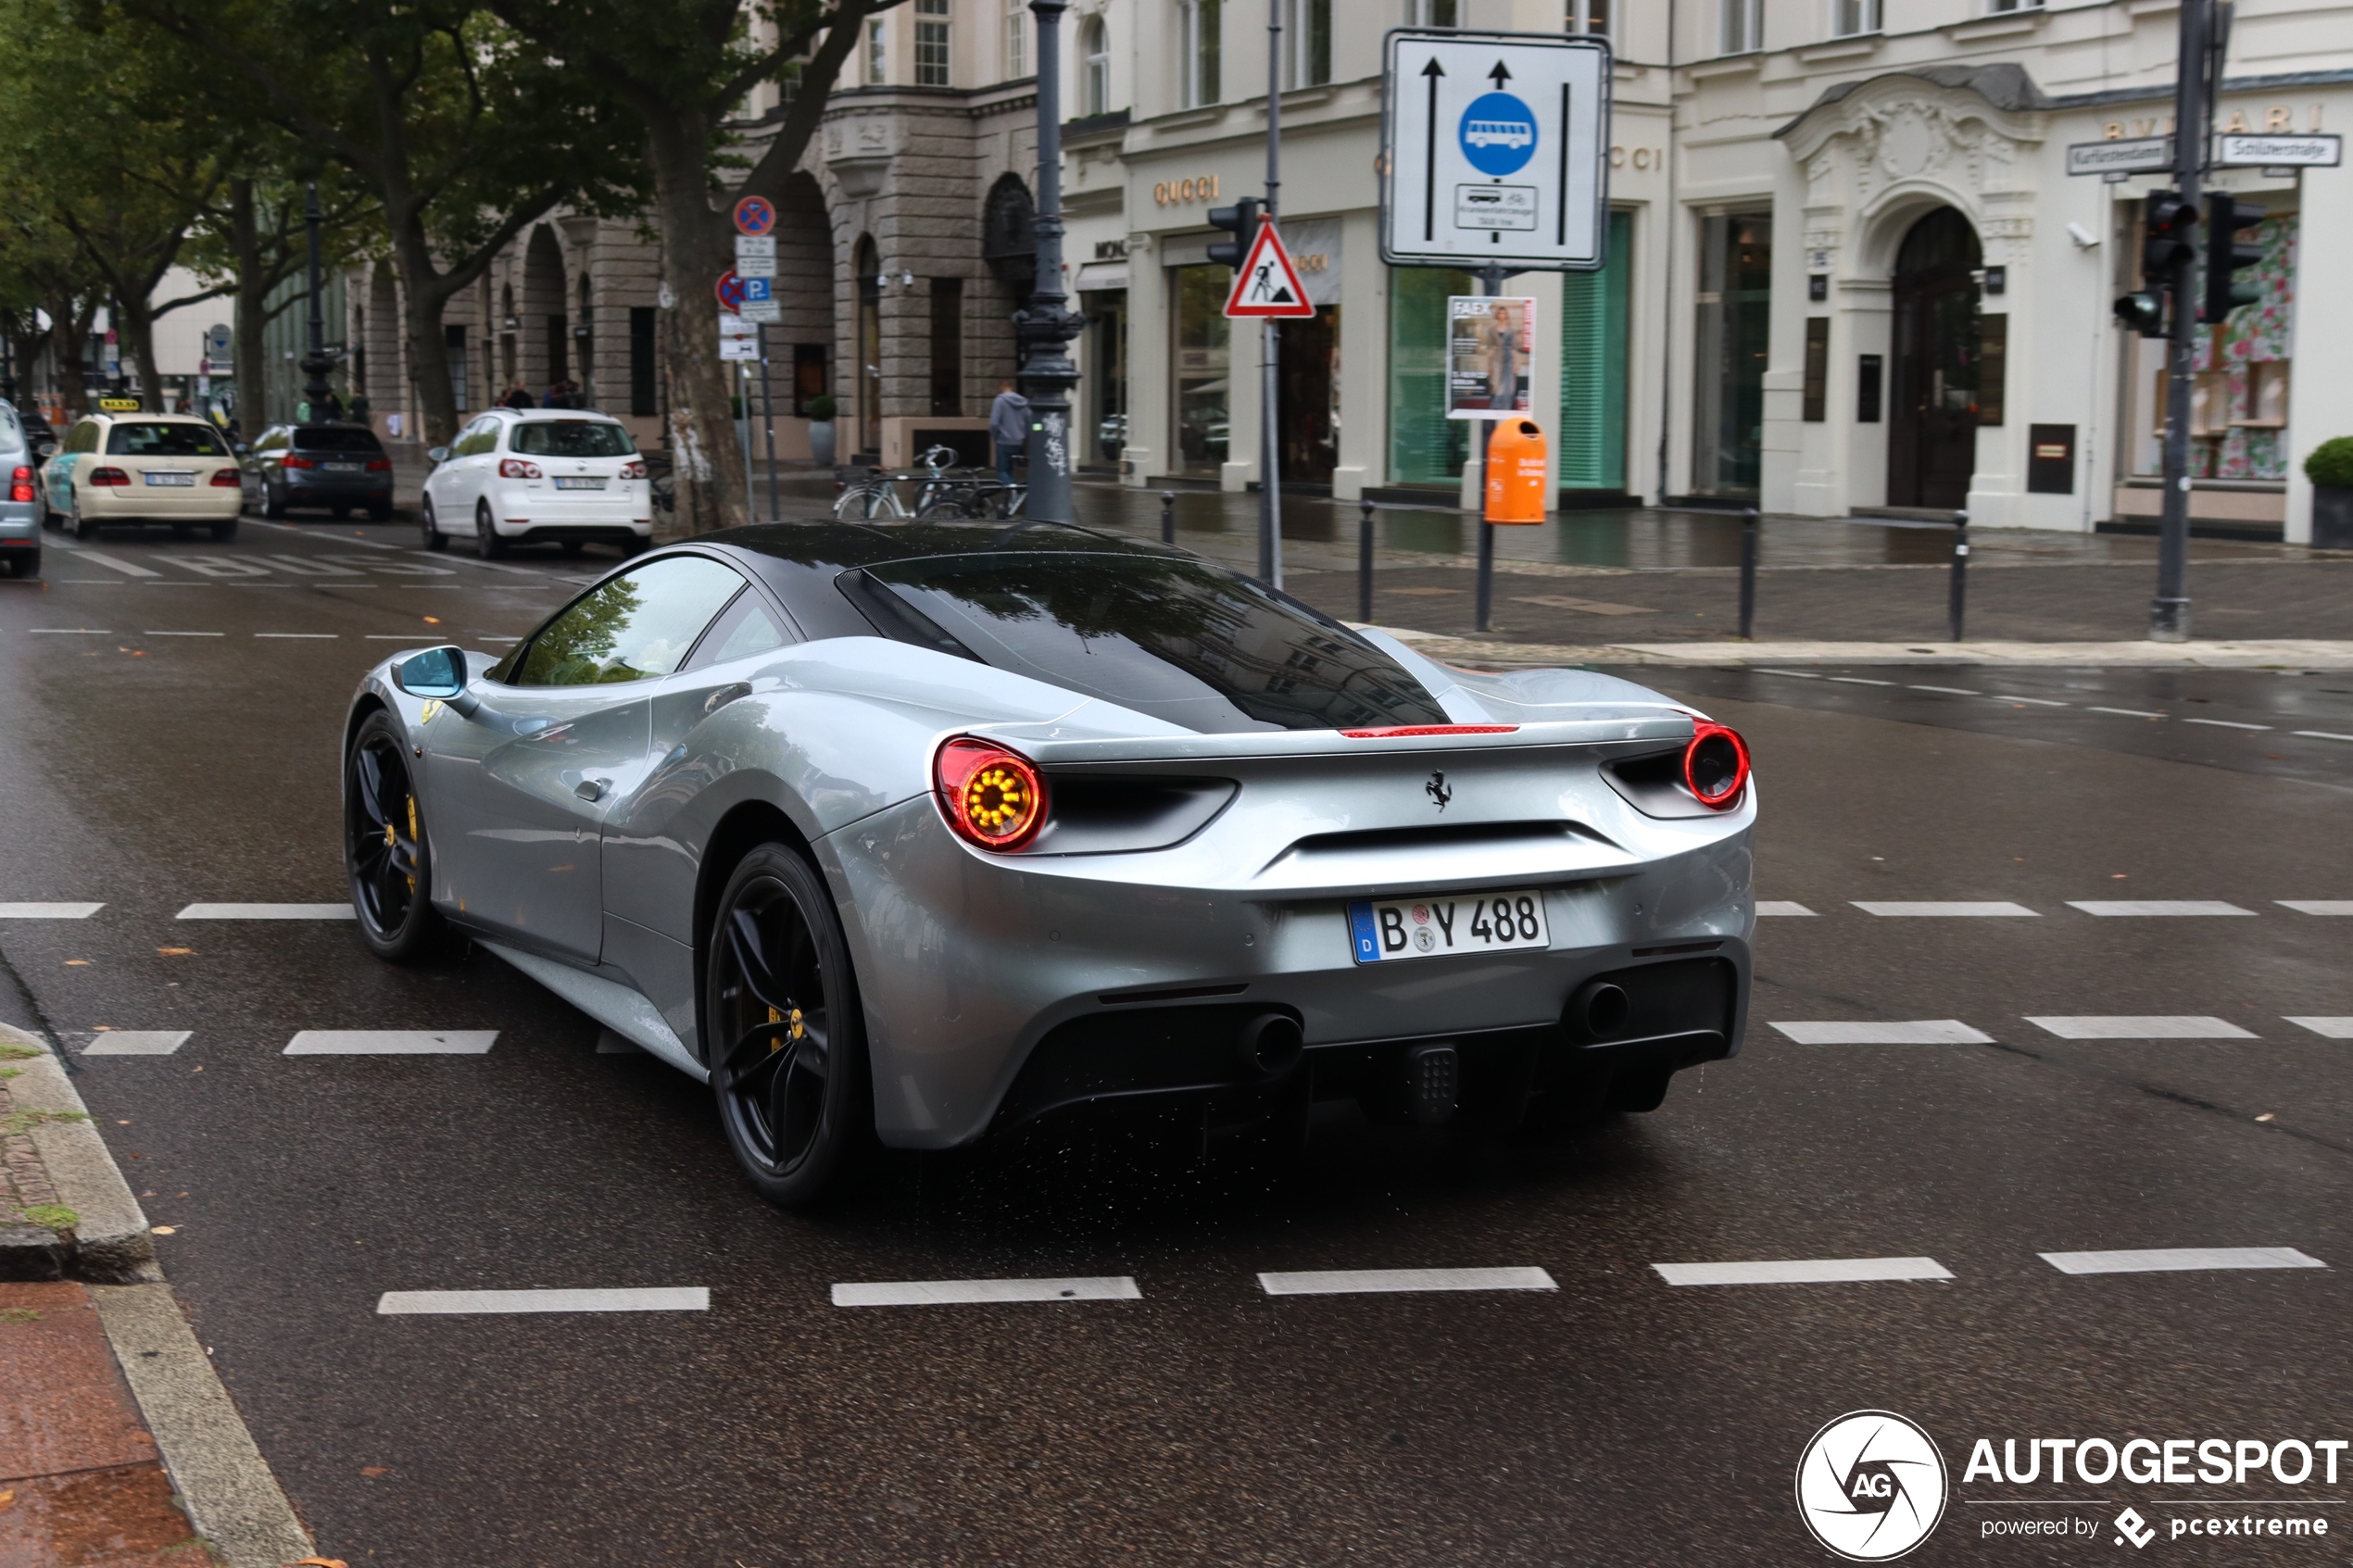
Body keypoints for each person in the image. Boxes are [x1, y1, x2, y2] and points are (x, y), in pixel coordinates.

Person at [988, 379, 1028, 485]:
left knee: (1002, 470)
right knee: (1010, 469)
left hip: (1004, 441)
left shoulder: (999, 401)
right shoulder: (1024, 402)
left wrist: (995, 436)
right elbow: (1029, 421)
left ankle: (1013, 490)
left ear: (1001, 387)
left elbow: (994, 423)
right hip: (1018, 441)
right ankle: (1011, 496)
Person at [1485, 302, 1522, 415]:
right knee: (1496, 384)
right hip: (1497, 358)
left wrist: (1516, 364)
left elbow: (1514, 348)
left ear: (1506, 315)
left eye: (1504, 313)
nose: (1502, 315)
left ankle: (1506, 408)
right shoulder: (1491, 330)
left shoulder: (1511, 331)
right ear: (1497, 315)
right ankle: (1496, 407)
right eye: (1500, 313)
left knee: (1509, 384)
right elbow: (1489, 349)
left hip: (1508, 359)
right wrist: (1488, 365)